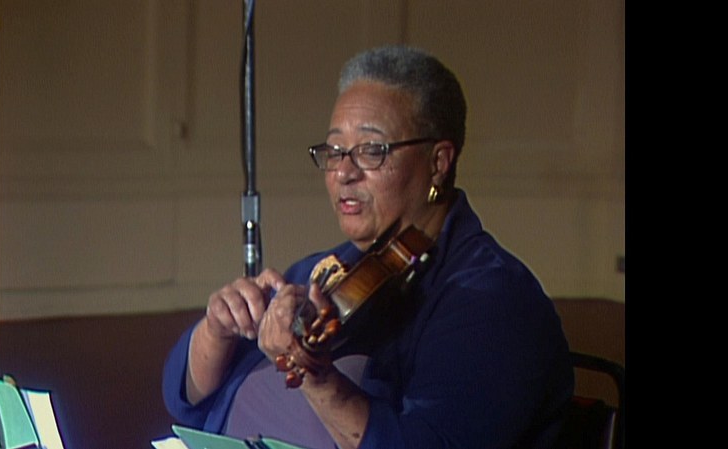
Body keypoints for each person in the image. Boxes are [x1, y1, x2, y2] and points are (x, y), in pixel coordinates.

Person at [162, 45, 574, 449]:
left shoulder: (492, 300)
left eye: (372, 151)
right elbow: (188, 402)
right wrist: (217, 330)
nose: (344, 172)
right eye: (335, 151)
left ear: (438, 162)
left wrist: (315, 376)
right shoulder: (328, 271)